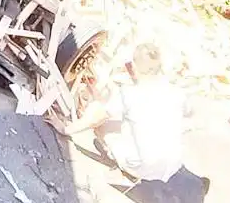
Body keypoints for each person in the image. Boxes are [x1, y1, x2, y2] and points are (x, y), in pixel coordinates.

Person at [58, 43, 186, 183]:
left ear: (134, 68)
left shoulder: (130, 94)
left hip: (143, 165)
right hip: (172, 164)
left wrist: (65, 129)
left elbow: (96, 119)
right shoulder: (175, 91)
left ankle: (128, 172)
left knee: (97, 116)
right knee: (133, 120)